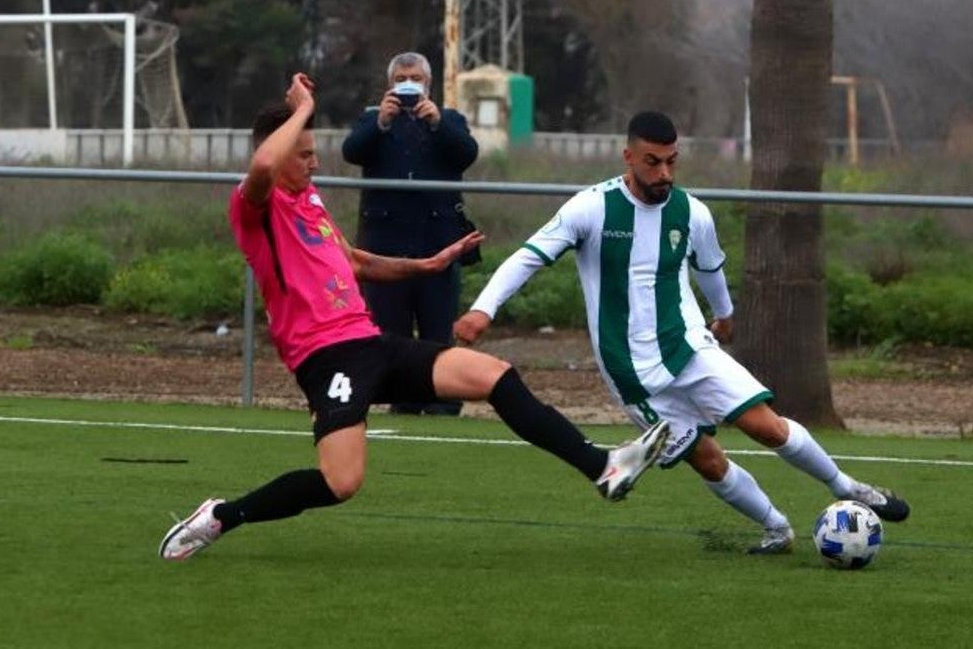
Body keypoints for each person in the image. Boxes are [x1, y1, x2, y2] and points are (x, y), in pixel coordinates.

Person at [158, 75, 669, 561]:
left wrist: (427, 265)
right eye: (306, 155)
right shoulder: (255, 205)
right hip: (325, 357)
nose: (315, 164)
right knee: (341, 483)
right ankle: (224, 515)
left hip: (370, 341)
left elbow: (354, 261)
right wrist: (305, 107)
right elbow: (266, 165)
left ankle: (602, 467)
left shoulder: (309, 201)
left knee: (493, 375)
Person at [454, 111, 909, 555]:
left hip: (689, 346)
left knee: (765, 427)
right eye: (653, 162)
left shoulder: (692, 213)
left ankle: (848, 487)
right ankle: (776, 528)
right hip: (630, 371)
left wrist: (725, 313)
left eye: (672, 161)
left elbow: (709, 269)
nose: (665, 172)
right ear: (628, 157)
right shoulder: (591, 208)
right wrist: (483, 309)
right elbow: (528, 257)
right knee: (707, 459)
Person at [342, 51, 476, 416]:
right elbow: (351, 151)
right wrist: (381, 122)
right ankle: (402, 401)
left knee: (437, 330)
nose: (409, 84)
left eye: (416, 78)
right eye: (402, 77)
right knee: (391, 332)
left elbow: (467, 154)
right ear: (389, 84)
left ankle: (442, 403)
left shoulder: (450, 119)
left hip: (437, 240)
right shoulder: (373, 120)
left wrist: (437, 124)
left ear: (428, 84)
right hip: (385, 244)